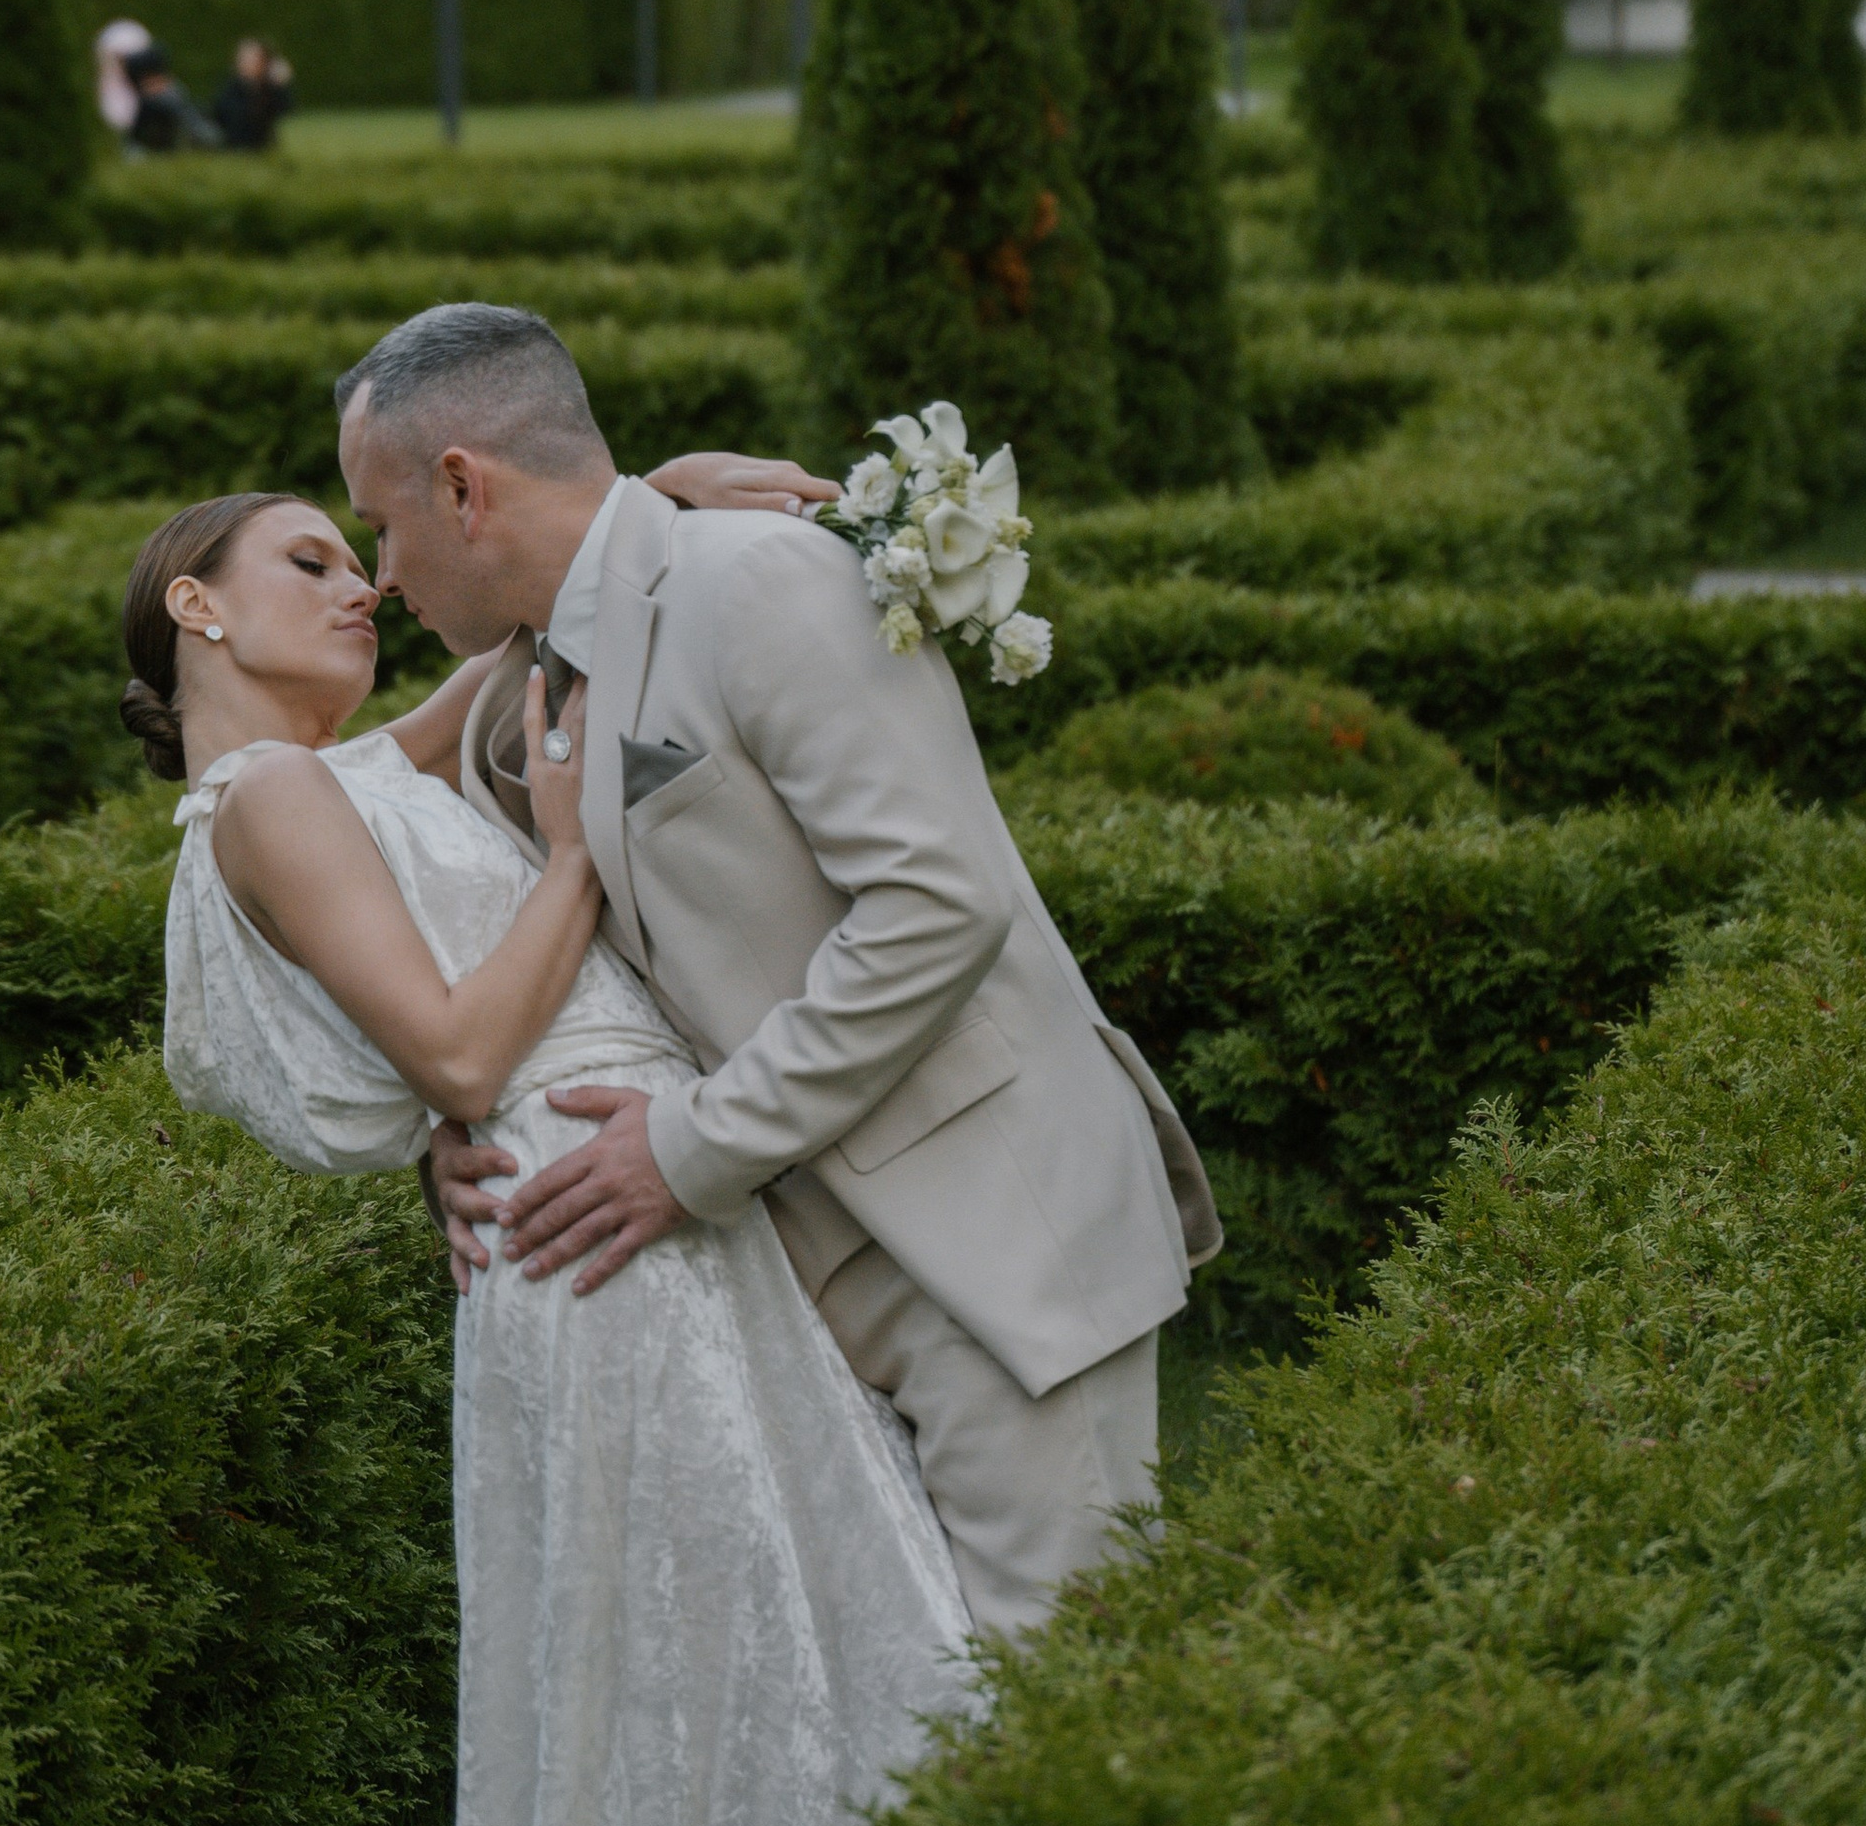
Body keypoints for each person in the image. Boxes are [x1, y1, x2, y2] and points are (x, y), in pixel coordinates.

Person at [0, 461, 971, 1826]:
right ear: (197, 620)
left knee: (783, 1687)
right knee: (728, 1715)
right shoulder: (262, 806)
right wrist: (587, 859)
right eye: (310, 565)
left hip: (626, 1239)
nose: (364, 587)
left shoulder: (337, 775)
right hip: (598, 1275)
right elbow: (448, 1051)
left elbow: (509, 641)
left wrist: (650, 493)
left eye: (362, 554)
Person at [339, 304, 1223, 1643]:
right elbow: (366, 856)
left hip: (988, 1238)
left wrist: (687, 1150)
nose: (383, 577)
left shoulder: (757, 582)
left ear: (463, 486)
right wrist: (462, 1131)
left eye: (382, 526)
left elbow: (935, 905)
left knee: (1063, 1721)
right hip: (794, 1286)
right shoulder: (524, 678)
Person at [207, 35, 294, 151]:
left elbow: (286, 110)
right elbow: (235, 123)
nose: (247, 63)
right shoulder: (231, 90)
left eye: (252, 58)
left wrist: (280, 85)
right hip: (232, 144)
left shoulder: (269, 89)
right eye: (243, 58)